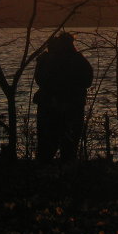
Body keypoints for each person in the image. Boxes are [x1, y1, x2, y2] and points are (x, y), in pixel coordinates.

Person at [34, 32, 93, 162]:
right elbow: (88, 80)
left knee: (49, 147)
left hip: (53, 107)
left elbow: (39, 79)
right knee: (67, 147)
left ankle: (48, 172)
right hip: (67, 108)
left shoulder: (46, 60)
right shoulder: (77, 60)